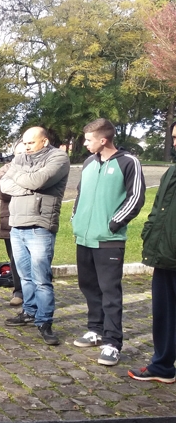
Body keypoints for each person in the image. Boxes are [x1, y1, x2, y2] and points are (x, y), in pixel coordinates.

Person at [72, 118, 145, 366]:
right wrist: (76, 221)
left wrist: (113, 223)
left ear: (103, 140)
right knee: (88, 286)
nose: (85, 143)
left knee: (110, 293)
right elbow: (80, 194)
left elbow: (136, 198)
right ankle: (95, 329)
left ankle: (112, 342)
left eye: (88, 139)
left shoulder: (128, 162)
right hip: (84, 238)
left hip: (109, 241)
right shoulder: (89, 163)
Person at [0, 126, 70, 345]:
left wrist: (19, 177)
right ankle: (28, 312)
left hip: (40, 225)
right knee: (25, 275)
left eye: (31, 142)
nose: (26, 147)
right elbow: (4, 185)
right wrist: (28, 183)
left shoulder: (59, 158)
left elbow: (37, 182)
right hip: (17, 224)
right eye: (25, 142)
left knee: (41, 278)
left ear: (45, 141)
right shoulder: (21, 158)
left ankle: (45, 320)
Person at [129, 122, 176, 383]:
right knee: (164, 314)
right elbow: (158, 208)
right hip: (164, 254)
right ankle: (163, 366)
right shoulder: (171, 172)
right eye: (174, 138)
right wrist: (149, 233)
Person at [0, 141, 25, 307]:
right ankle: (19, 291)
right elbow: (4, 193)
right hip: (11, 220)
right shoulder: (5, 170)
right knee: (15, 259)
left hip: (35, 220)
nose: (22, 156)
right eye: (19, 153)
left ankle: (35, 291)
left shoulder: (40, 168)